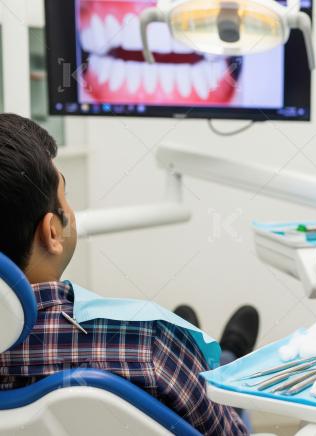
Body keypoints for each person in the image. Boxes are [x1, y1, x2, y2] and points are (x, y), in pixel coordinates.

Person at [0, 113, 255, 435]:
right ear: (52, 232)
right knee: (225, 388)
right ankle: (232, 356)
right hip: (182, 373)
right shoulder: (150, 343)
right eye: (66, 194)